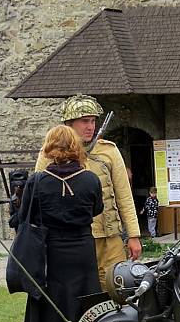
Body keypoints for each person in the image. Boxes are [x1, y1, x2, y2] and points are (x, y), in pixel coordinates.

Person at [21, 126, 104, 322]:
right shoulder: (90, 179)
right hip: (83, 251)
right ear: (76, 147)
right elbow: (97, 209)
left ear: (49, 147)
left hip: (53, 253)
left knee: (59, 314)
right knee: (89, 312)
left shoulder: (37, 182)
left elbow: (26, 217)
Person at [35, 94, 142, 291]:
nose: (90, 126)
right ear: (69, 123)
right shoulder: (49, 153)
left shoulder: (109, 151)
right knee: (79, 293)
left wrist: (133, 235)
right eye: (84, 121)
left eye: (93, 121)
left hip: (110, 238)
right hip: (71, 240)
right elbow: (38, 197)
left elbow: (124, 196)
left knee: (117, 290)